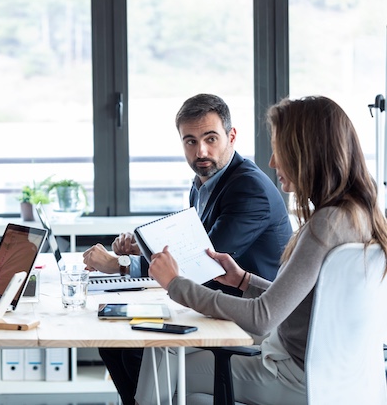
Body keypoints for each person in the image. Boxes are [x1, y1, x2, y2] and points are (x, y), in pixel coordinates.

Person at [142, 95, 387, 404]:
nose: (272, 162)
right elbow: (308, 305)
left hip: (295, 375)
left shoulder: (324, 225)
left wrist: (176, 285)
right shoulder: (359, 215)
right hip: (340, 375)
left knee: (162, 362)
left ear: (307, 153)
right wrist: (244, 280)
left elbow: (262, 318)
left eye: (279, 149)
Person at [82, 93, 293, 405]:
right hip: (214, 303)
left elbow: (202, 262)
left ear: (231, 136)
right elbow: (194, 242)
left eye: (210, 138)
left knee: (137, 351)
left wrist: (121, 265)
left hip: (250, 316)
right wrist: (141, 249)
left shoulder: (249, 188)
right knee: (117, 346)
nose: (201, 151)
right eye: (190, 141)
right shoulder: (205, 180)